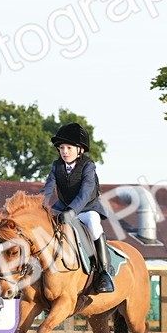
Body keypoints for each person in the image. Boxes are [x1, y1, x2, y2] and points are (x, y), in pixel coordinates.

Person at [41, 122, 114, 294]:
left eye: (68, 148)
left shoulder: (88, 166)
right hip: (63, 209)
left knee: (95, 226)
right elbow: (48, 189)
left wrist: (72, 212)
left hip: (87, 208)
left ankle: (103, 272)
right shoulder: (56, 166)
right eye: (61, 148)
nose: (64, 152)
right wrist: (37, 206)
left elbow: (86, 192)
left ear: (80, 149)